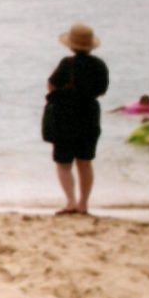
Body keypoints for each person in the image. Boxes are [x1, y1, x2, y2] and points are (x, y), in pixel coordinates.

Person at [43, 22, 109, 215]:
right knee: (85, 162)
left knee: (64, 162)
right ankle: (83, 204)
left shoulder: (67, 64)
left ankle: (70, 202)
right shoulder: (99, 65)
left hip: (64, 115)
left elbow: (51, 85)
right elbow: (102, 90)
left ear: (71, 45)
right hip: (89, 115)